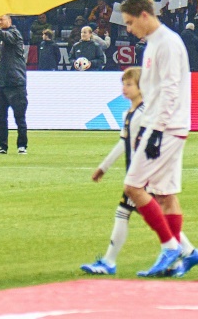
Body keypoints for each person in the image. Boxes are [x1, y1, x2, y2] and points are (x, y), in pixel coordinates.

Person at [119, 0, 198, 279]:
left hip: (166, 127)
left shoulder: (167, 43)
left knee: (133, 188)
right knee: (164, 194)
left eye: (130, 23)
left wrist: (154, 131)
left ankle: (171, 247)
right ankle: (187, 254)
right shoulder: (155, 43)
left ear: (145, 15)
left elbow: (169, 89)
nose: (129, 30)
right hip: (166, 125)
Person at [79, 67, 143, 276]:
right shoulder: (129, 113)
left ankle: (109, 261)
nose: (124, 89)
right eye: (123, 84)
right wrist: (103, 167)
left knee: (126, 213)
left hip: (142, 175)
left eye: (129, 84)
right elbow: (123, 143)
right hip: (137, 174)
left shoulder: (143, 115)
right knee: (154, 216)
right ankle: (184, 251)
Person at [0, 15, 29, 155]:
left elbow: (5, 36)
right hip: (2, 83)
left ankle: (22, 145)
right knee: (0, 117)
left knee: (19, 117)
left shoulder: (14, 34)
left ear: (9, 21)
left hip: (15, 82)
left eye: (1, 19)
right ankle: (2, 145)